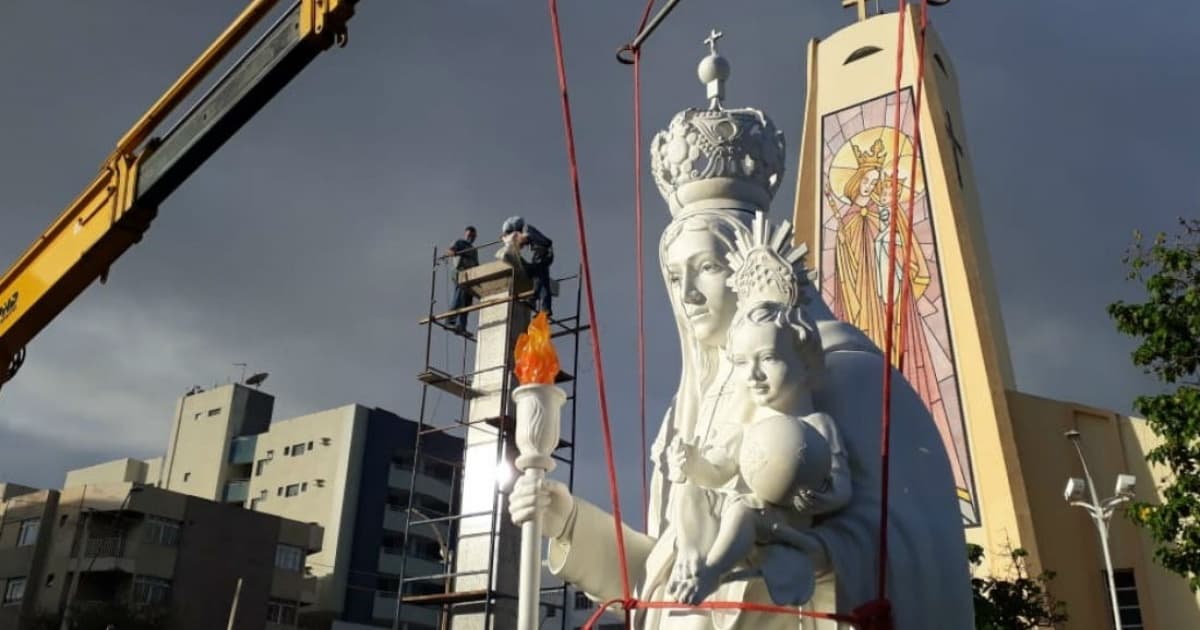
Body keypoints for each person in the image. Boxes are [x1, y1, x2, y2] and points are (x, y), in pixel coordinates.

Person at [509, 208, 973, 629]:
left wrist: (808, 554)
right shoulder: (686, 413)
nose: (687, 294)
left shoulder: (845, 376)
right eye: (674, 277)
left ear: (747, 273)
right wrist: (568, 522)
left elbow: (915, 545)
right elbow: (664, 580)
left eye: (707, 267)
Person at [667, 299, 852, 607]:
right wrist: (693, 462)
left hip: (782, 523)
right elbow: (716, 472)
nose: (753, 374)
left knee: (744, 509)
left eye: (768, 358)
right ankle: (692, 558)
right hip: (734, 520)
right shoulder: (745, 426)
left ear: (805, 361)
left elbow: (842, 485)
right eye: (741, 362)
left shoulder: (817, 425)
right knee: (691, 492)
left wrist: (825, 499)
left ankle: (711, 573)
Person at [500, 216, 554, 315]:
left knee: (539, 278)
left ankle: (536, 303)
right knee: (541, 279)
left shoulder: (526, 229)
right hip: (542, 253)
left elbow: (522, 240)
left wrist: (510, 243)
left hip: (542, 253)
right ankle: (542, 306)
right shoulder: (526, 230)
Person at [446, 226, 479, 332]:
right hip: (460, 273)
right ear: (465, 234)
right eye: (469, 235)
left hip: (470, 277)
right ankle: (450, 321)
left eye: (473, 236)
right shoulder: (460, 242)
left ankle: (461, 326)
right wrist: (452, 252)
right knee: (459, 297)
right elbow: (450, 250)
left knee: (467, 302)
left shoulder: (474, 250)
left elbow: (476, 265)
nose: (471, 237)